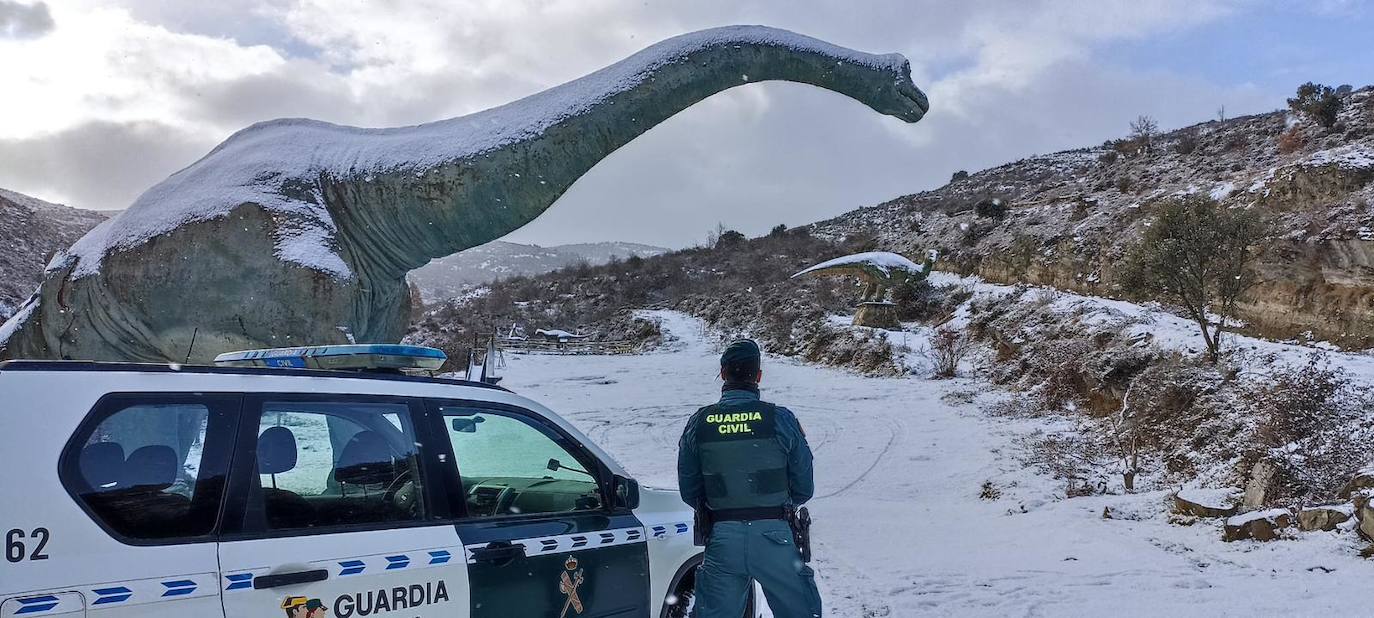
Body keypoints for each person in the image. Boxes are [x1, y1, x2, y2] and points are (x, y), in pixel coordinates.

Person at [678, 339, 822, 617]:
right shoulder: (780, 419)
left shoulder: (700, 423)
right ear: (758, 376)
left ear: (722, 374)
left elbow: (690, 489)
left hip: (722, 538)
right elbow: (804, 486)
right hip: (775, 536)